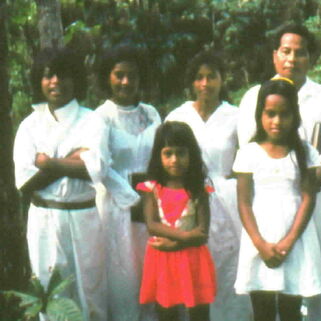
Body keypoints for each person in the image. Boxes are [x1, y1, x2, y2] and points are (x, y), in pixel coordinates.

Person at [237, 22, 321, 321]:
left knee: (317, 283)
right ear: (275, 55)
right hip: (264, 206)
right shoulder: (254, 98)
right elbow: (250, 150)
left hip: (316, 200)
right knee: (263, 288)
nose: (292, 59)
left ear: (309, 58)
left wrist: (307, 182)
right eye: (285, 51)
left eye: (300, 53)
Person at [13, 47, 107, 320]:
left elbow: (95, 169)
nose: (55, 81)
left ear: (76, 79)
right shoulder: (29, 127)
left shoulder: (92, 120)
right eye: (47, 75)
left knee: (91, 293)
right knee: (52, 296)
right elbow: (26, 182)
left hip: (85, 217)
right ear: (39, 81)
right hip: (45, 218)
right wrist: (74, 160)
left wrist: (49, 163)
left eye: (62, 75)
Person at [165, 51, 252, 320]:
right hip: (186, 200)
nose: (205, 84)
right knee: (190, 267)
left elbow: (250, 157)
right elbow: (165, 160)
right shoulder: (177, 116)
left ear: (221, 79)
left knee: (227, 267)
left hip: (227, 200)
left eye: (211, 77)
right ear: (192, 83)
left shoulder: (236, 116)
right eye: (199, 78)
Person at [233, 79, 321, 321]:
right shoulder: (249, 153)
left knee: (291, 310)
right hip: (260, 237)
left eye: (284, 114)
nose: (276, 121)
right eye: (270, 114)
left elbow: (308, 197)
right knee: (262, 310)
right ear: (259, 114)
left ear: (295, 115)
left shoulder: (304, 152)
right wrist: (259, 243)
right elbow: (243, 202)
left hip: (295, 238)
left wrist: (289, 240)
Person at [95, 46, 161, 321]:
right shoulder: (100, 117)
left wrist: (154, 197)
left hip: (152, 207)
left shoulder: (152, 113)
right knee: (124, 278)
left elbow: (162, 155)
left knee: (152, 273)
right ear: (107, 77)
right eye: (118, 75)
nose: (125, 82)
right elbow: (100, 167)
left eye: (131, 75)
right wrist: (132, 197)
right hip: (117, 207)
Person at [136, 121, 217, 321]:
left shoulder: (199, 188)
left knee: (199, 311)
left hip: (193, 258)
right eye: (168, 153)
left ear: (191, 154)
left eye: (181, 153)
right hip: (162, 260)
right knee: (166, 311)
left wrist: (174, 244)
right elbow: (152, 224)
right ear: (159, 155)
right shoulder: (152, 188)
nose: (175, 159)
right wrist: (186, 236)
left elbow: (203, 232)